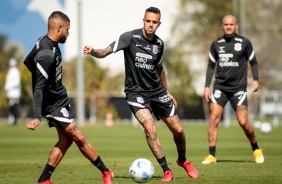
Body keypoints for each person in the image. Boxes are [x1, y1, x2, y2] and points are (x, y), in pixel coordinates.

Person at [84, 7, 199, 182]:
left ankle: (182, 160)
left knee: (178, 130)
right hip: (136, 93)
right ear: (143, 21)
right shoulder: (129, 37)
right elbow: (104, 52)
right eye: (148, 21)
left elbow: (159, 69)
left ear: (158, 24)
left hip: (157, 92)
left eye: (154, 22)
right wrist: (93, 51)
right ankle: (167, 170)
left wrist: (167, 92)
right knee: (150, 128)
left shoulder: (159, 44)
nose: (150, 25)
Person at [24, 11, 113, 184]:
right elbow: (39, 88)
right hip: (53, 105)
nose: (68, 33)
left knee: (66, 140)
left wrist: (46, 80)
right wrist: (37, 115)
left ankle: (44, 180)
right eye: (67, 29)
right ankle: (106, 172)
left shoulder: (43, 41)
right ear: (59, 28)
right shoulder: (46, 53)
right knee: (79, 137)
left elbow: (28, 62)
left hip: (60, 98)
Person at [202, 15, 264, 164]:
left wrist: (255, 79)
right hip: (220, 87)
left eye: (231, 24)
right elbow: (211, 66)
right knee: (213, 118)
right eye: (226, 24)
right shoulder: (216, 44)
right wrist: (206, 86)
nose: (228, 26)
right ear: (222, 26)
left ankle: (256, 149)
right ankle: (211, 155)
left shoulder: (245, 43)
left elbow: (253, 62)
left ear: (236, 26)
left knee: (243, 121)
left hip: (238, 88)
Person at [4, 58, 21, 126]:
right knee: (11, 107)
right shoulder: (11, 71)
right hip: (10, 93)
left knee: (13, 107)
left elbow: (16, 83)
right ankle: (13, 121)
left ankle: (15, 121)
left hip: (14, 93)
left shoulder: (15, 71)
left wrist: (8, 88)